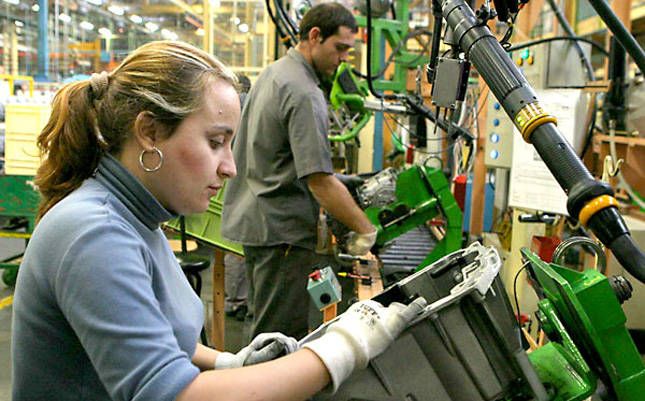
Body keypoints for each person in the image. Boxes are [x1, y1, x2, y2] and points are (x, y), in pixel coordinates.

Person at [11, 40, 426, 401]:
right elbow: (168, 393)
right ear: (150, 132)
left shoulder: (137, 219)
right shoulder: (95, 233)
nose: (229, 168)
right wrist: (343, 349)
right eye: (215, 142)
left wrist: (229, 363)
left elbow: (152, 336)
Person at [221, 2, 378, 341]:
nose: (342, 59)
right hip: (281, 231)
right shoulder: (304, 92)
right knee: (277, 335)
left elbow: (280, 157)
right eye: (339, 49)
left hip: (259, 220)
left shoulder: (275, 73)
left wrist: (345, 182)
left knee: (263, 322)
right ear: (315, 36)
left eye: (349, 51)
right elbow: (319, 181)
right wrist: (367, 231)